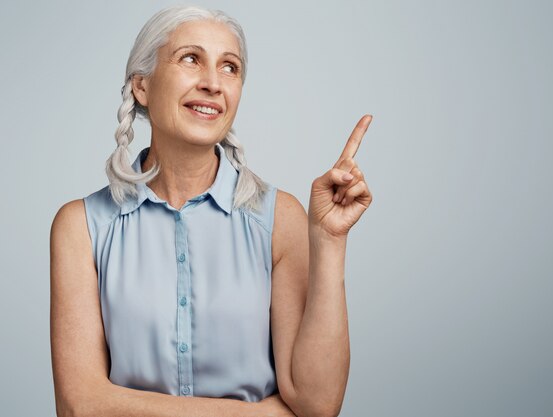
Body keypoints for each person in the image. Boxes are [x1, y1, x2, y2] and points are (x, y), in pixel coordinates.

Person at [50, 5, 372, 417]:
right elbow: (80, 405)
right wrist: (266, 413)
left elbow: (316, 402)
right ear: (142, 86)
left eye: (230, 68)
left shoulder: (281, 218)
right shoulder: (81, 227)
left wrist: (329, 241)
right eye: (190, 59)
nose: (213, 84)